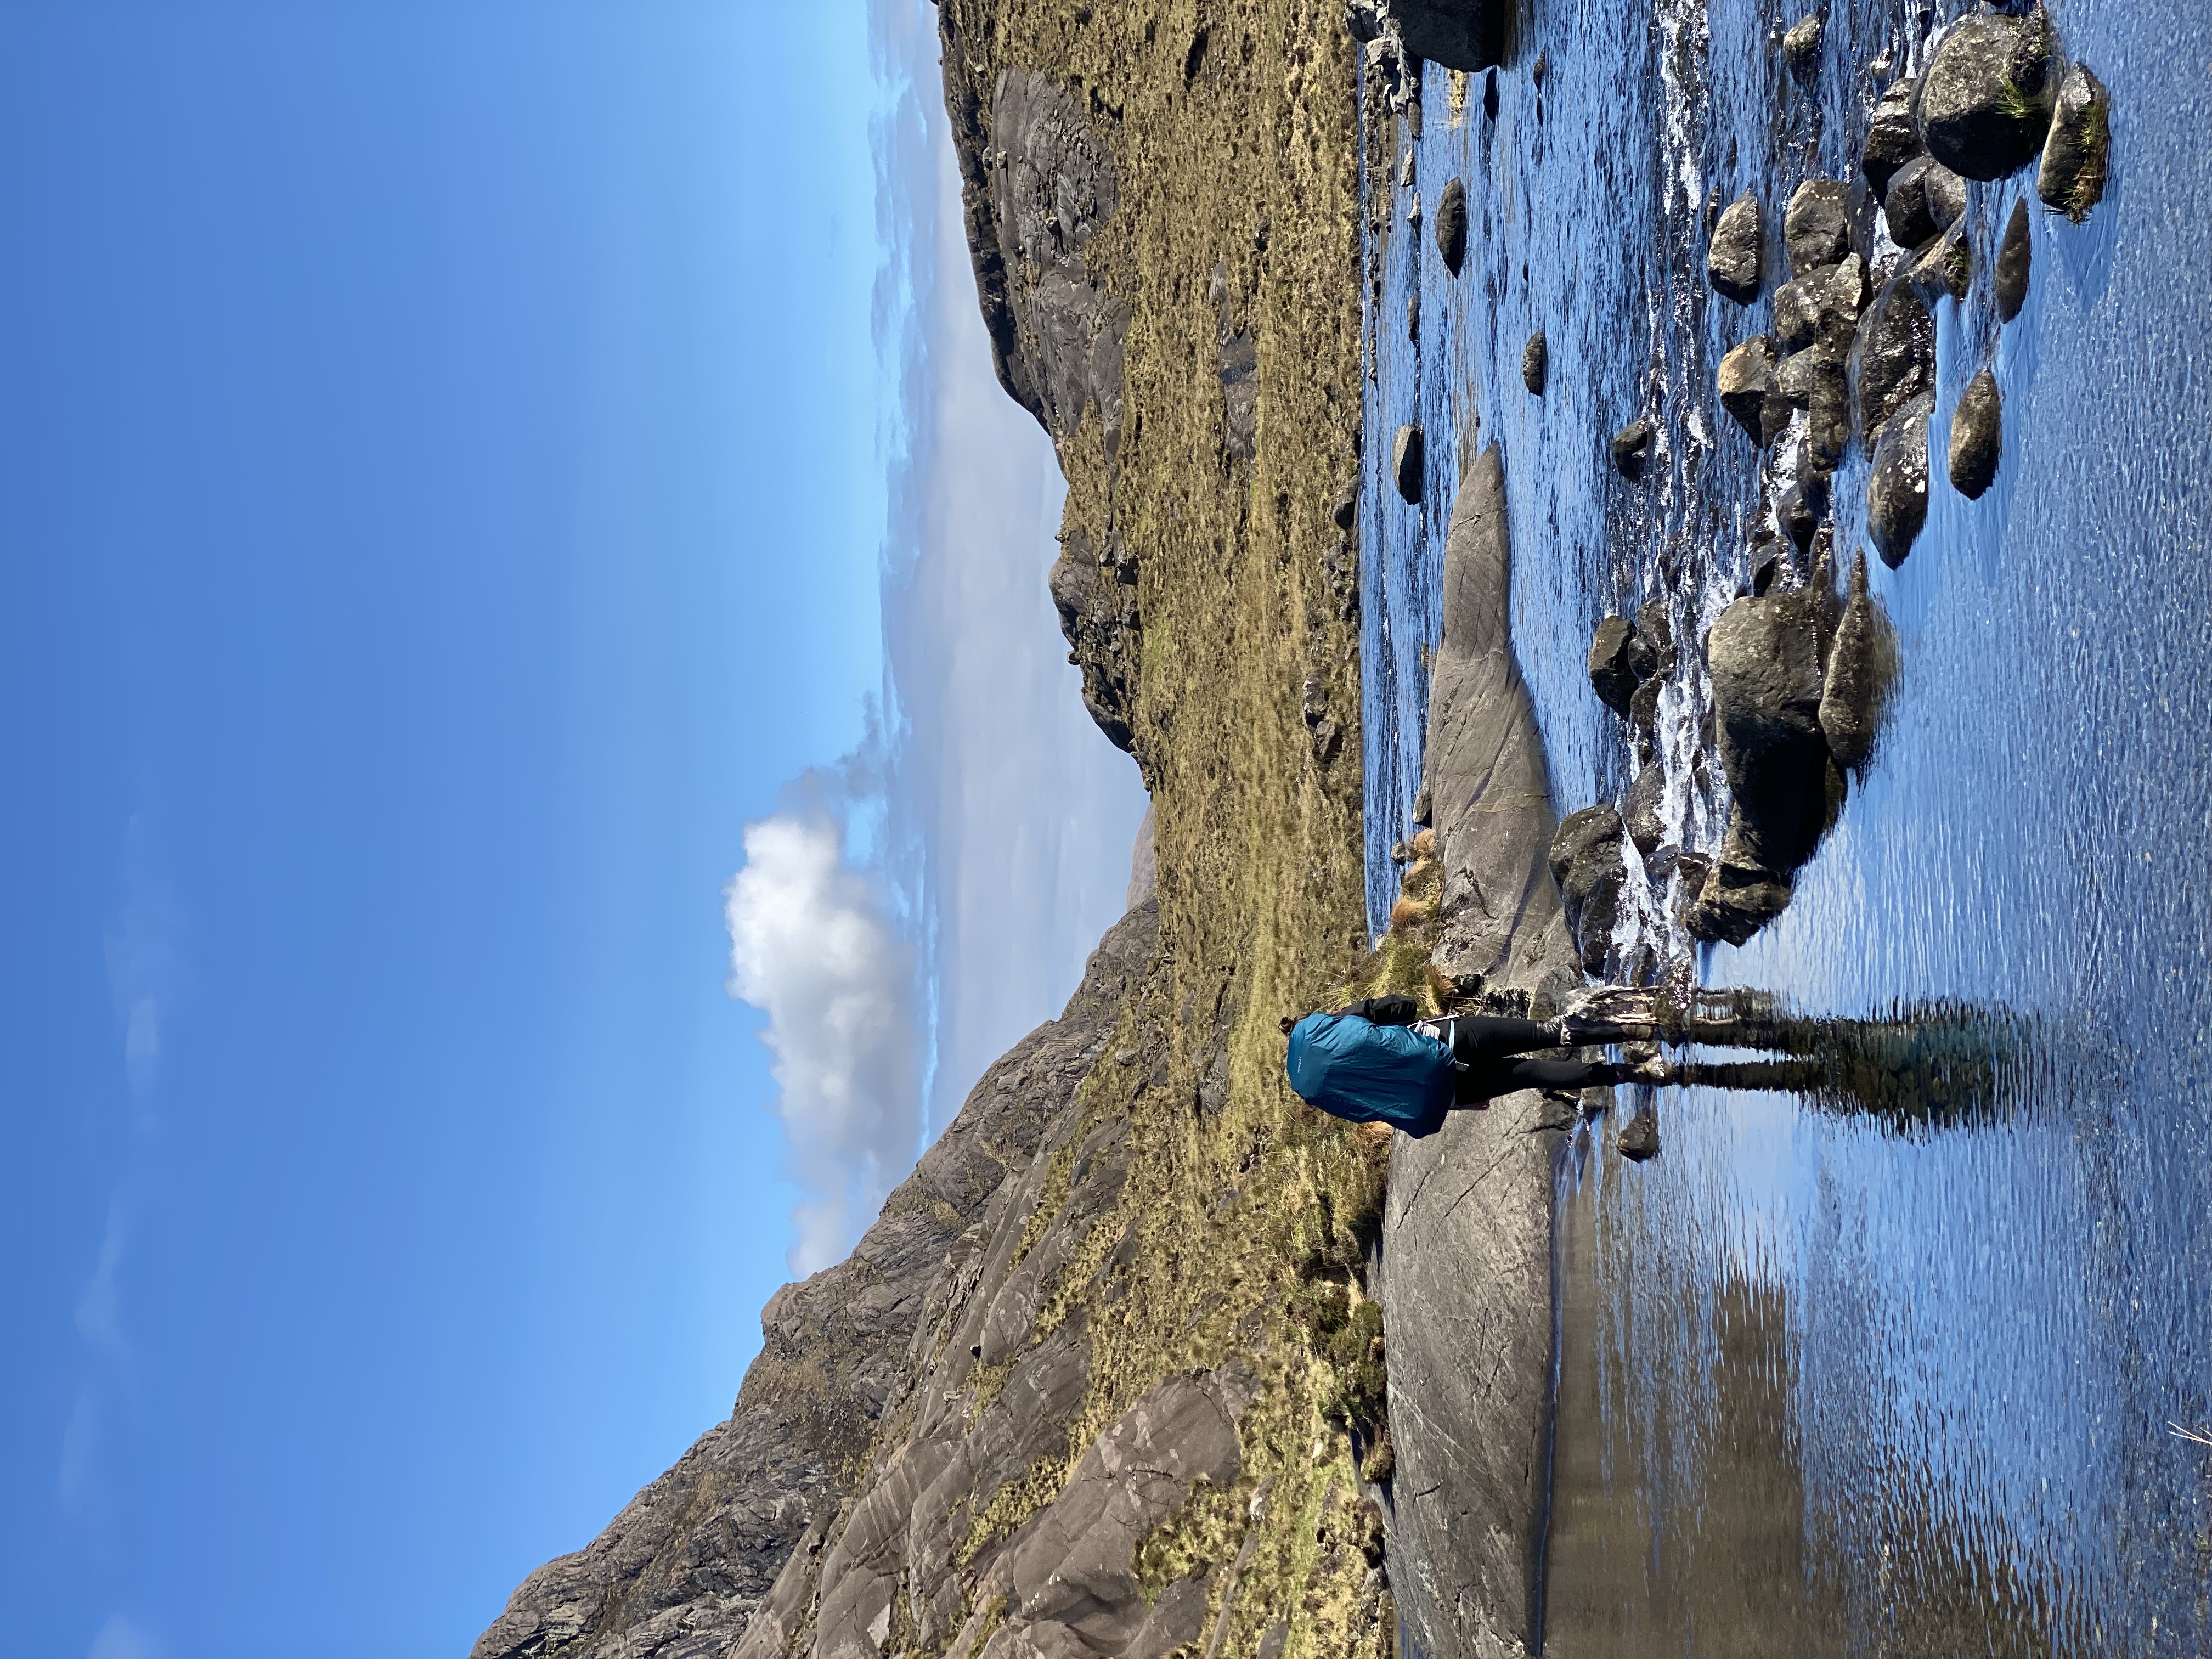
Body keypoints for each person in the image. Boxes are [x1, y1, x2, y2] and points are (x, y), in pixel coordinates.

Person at [1281, 994, 1666, 1137]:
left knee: (1529, 1074)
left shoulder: (1322, 1092)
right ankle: (1634, 1030)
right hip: (1445, 1041)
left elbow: (1371, 1109)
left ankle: (1631, 1074)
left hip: (1447, 1094)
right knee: (1545, 1034)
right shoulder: (1344, 1021)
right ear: (1316, 1024)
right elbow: (1405, 1006)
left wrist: (1459, 1103)